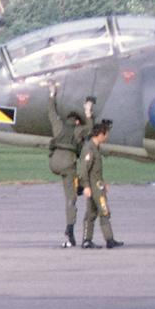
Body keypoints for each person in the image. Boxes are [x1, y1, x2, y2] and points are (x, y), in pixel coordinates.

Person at [47, 86, 93, 248]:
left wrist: (52, 95)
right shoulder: (78, 130)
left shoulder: (58, 126)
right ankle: (70, 229)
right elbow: (90, 129)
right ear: (77, 121)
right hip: (68, 164)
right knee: (71, 199)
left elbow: (51, 112)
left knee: (72, 188)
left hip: (54, 163)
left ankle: (79, 187)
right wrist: (88, 112)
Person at [79, 119, 123, 249]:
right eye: (106, 134)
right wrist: (86, 186)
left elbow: (95, 170)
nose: (107, 137)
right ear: (100, 134)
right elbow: (83, 170)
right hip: (94, 187)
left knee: (91, 213)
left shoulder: (95, 148)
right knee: (103, 212)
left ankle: (87, 240)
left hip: (97, 184)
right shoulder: (89, 149)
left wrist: (103, 182)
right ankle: (109, 240)